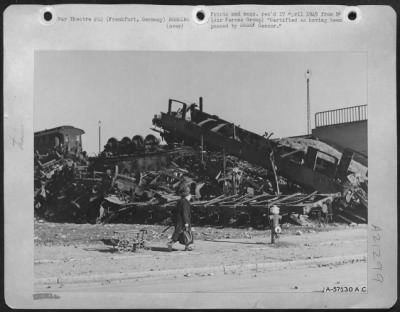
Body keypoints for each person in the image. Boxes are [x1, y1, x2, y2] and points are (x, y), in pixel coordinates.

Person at [167, 184, 194, 251]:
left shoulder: (180, 201)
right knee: (183, 233)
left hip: (179, 220)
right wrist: (186, 222)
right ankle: (171, 244)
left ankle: (187, 246)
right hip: (182, 221)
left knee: (181, 233)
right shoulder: (185, 202)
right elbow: (185, 213)